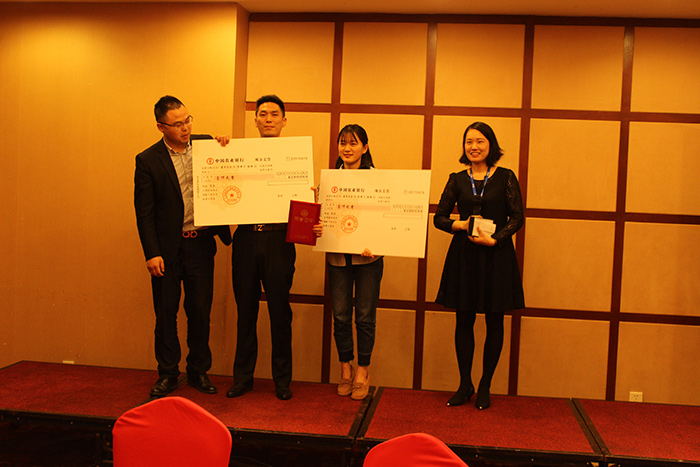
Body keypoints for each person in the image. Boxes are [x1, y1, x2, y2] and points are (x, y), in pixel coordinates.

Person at [134, 95, 232, 398]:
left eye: (188, 120)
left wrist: (226, 146)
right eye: (177, 124)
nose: (186, 127)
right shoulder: (148, 160)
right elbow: (144, 212)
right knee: (166, 313)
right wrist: (152, 252)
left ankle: (198, 370)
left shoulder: (206, 145)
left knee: (200, 311)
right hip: (167, 249)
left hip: (200, 244)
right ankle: (167, 373)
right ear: (161, 127)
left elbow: (232, 170)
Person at [433, 121, 524, 410]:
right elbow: (439, 217)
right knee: (464, 320)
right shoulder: (457, 179)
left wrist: (495, 239)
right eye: (469, 141)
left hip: (496, 255)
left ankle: (485, 385)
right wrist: (460, 225)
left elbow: (517, 217)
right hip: (465, 256)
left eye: (480, 141)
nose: (474, 147)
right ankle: (465, 384)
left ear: (490, 145)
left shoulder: (506, 177)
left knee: (494, 321)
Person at [226, 95, 295, 401]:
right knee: (245, 311)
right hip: (246, 239)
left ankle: (282, 380)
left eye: (274, 114)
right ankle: (243, 378)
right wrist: (220, 149)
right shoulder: (239, 153)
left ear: (284, 120)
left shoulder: (295, 158)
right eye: (263, 114)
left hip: (279, 240)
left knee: (280, 312)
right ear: (254, 120)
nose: (268, 119)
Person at [313, 124, 384, 401]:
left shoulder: (378, 180)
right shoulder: (328, 181)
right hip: (337, 258)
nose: (347, 148)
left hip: (369, 259)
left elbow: (385, 220)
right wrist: (317, 225)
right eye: (343, 143)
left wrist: (376, 243)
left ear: (365, 148)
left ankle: (363, 370)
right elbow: (319, 222)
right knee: (341, 316)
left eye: (353, 143)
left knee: (365, 317)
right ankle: (345, 368)